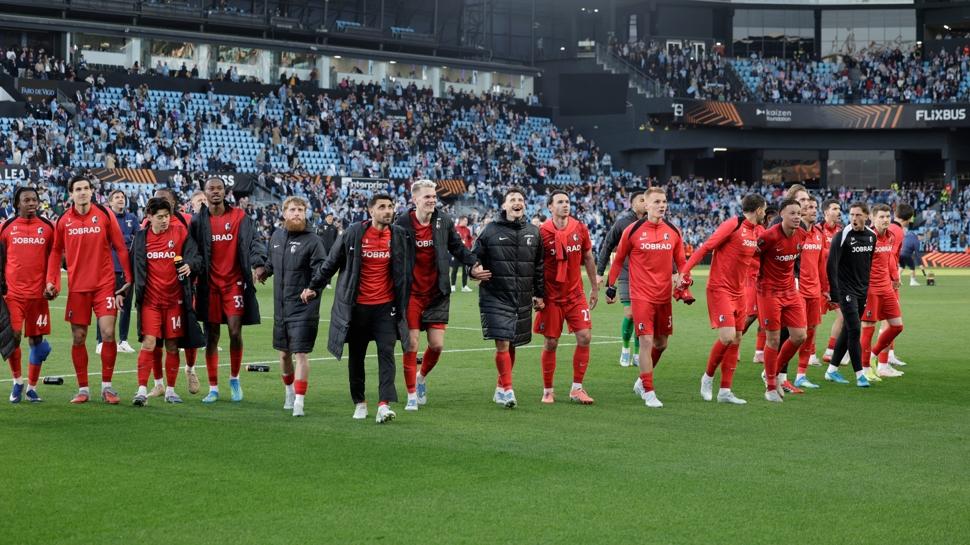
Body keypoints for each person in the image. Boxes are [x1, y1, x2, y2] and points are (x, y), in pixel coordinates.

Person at [318, 193, 411, 423]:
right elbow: (332, 262)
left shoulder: (398, 235)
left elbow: (406, 268)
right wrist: (313, 287)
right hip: (358, 307)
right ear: (371, 211)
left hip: (386, 307)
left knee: (387, 353)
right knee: (356, 356)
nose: (388, 211)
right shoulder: (354, 233)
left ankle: (383, 405)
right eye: (382, 207)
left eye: (390, 206)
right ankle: (359, 402)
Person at [44, 175, 132, 404]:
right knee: (78, 337)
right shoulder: (63, 220)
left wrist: (128, 277)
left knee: (108, 333)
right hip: (78, 287)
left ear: (92, 191)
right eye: (78, 189)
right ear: (71, 194)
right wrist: (51, 281)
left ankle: (107, 387)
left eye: (86, 188)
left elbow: (120, 246)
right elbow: (55, 251)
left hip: (104, 285)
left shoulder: (104, 214)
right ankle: (83, 389)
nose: (82, 192)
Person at [394, 180, 482, 411]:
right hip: (411, 293)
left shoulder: (443, 220)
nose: (432, 200)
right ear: (415, 199)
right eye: (427, 197)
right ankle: (411, 395)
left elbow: (457, 248)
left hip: (437, 292)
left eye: (434, 196)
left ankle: (421, 377)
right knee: (411, 343)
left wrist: (473, 263)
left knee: (437, 345)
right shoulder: (402, 223)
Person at [681, 193, 766, 405]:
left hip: (739, 291)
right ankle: (707, 377)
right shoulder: (733, 224)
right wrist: (684, 271)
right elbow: (706, 247)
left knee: (736, 339)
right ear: (758, 210)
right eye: (764, 210)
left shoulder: (757, 231)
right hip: (719, 289)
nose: (765, 214)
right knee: (727, 337)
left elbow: (753, 259)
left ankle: (725, 391)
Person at [606, 187, 686, 409]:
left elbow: (681, 262)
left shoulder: (673, 231)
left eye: (664, 201)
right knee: (646, 341)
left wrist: (684, 280)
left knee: (661, 343)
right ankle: (649, 392)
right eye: (657, 202)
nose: (662, 205)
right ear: (646, 204)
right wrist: (610, 286)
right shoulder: (632, 230)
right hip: (641, 295)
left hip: (664, 296)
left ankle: (642, 380)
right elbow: (619, 259)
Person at [189, 176, 267, 404]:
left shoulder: (240, 217)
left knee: (235, 332)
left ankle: (234, 379)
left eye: (219, 188)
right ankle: (213, 387)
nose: (215, 192)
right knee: (211, 336)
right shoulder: (197, 221)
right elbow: (192, 251)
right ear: (205, 193)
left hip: (234, 284)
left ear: (225, 192)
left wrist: (259, 264)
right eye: (211, 189)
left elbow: (254, 242)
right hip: (208, 285)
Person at [473, 187, 544, 409]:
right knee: (502, 343)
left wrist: (539, 293)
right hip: (495, 294)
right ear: (504, 205)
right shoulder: (490, 230)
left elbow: (539, 266)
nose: (517, 202)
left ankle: (500, 387)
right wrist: (473, 270)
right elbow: (474, 257)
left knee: (512, 342)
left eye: (520, 199)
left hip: (521, 296)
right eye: (512, 199)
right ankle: (508, 390)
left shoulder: (534, 232)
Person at [129, 197, 204, 406]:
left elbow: (196, 257)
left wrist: (190, 265)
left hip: (175, 301)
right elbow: (132, 264)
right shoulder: (141, 238)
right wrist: (126, 286)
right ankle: (141, 390)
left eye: (167, 216)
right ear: (149, 217)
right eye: (160, 217)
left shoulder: (180, 232)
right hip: (150, 301)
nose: (164, 221)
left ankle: (170, 390)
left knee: (172, 345)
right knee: (149, 343)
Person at [259, 197, 328, 417]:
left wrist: (313, 288)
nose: (296, 213)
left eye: (300, 210)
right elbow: (272, 263)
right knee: (283, 354)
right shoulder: (277, 237)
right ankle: (289, 392)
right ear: (284, 213)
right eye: (292, 210)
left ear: (305, 213)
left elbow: (322, 270)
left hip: (304, 306)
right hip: (281, 307)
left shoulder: (313, 241)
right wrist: (264, 271)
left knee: (301, 353)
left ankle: (299, 401)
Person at [534, 190, 598, 404]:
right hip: (551, 297)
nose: (565, 205)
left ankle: (577, 389)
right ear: (550, 207)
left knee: (585, 337)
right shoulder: (541, 232)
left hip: (575, 294)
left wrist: (594, 288)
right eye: (560, 202)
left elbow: (588, 257)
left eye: (567, 201)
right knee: (551, 342)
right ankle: (548, 390)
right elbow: (535, 265)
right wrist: (536, 294)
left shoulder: (580, 228)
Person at [0, 187, 54, 403]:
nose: (32, 203)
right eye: (26, 200)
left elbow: (54, 258)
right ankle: (17, 382)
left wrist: (52, 285)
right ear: (17, 204)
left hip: (39, 295)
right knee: (13, 337)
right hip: (13, 294)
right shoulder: (7, 227)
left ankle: (32, 387)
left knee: (37, 341)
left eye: (34, 200)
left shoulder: (48, 228)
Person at [754, 198, 808, 403]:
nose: (796, 217)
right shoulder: (768, 237)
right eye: (792, 213)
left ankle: (773, 373)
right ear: (782, 215)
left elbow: (794, 261)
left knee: (799, 336)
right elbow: (752, 257)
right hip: (768, 292)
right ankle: (770, 387)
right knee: (773, 339)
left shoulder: (802, 235)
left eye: (799, 213)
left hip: (790, 291)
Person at [153, 187, 201, 394]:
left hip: (185, 288)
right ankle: (158, 384)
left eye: (164, 200)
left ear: (173, 203)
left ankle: (190, 369)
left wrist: (191, 267)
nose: (159, 203)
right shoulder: (148, 223)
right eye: (156, 199)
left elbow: (196, 251)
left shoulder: (186, 221)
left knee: (189, 333)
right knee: (155, 339)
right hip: (156, 292)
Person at [824, 202, 877, 388]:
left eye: (858, 215)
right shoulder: (842, 236)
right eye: (852, 215)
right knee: (855, 329)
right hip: (845, 290)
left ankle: (831, 371)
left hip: (862, 291)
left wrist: (866, 286)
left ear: (866, 216)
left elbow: (868, 263)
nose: (854, 218)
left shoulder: (871, 236)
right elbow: (831, 265)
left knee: (848, 330)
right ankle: (860, 375)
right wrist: (834, 292)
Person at [595, 190, 646, 367]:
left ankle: (638, 353)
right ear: (633, 204)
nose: (646, 203)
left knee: (641, 316)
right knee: (630, 313)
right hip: (626, 274)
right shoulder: (622, 223)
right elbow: (607, 246)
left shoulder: (653, 223)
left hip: (646, 276)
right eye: (642, 200)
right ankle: (625, 349)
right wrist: (600, 273)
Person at [860, 204, 905, 381]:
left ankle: (872, 355)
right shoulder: (867, 237)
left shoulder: (891, 236)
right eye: (881, 217)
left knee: (897, 326)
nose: (885, 220)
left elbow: (890, 259)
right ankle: (865, 369)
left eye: (887, 216)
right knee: (868, 328)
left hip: (887, 288)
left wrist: (894, 276)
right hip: (870, 290)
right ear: (872, 218)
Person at [96, 189, 138, 355]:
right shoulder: (105, 218)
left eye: (122, 197)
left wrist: (121, 239)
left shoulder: (132, 218)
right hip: (109, 269)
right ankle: (100, 341)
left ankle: (124, 340)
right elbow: (105, 240)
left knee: (126, 306)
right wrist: (125, 239)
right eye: (117, 197)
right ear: (110, 202)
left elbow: (138, 239)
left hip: (127, 270)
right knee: (105, 306)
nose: (121, 199)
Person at [793, 197, 827, 390]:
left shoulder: (819, 234)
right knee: (796, 334)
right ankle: (774, 370)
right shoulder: (795, 233)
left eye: (815, 207)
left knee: (810, 332)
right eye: (809, 207)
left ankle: (801, 375)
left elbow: (821, 265)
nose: (813, 210)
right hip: (797, 290)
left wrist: (825, 288)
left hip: (814, 291)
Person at [820, 199, 845, 365]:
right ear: (826, 212)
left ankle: (830, 350)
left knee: (843, 315)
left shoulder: (841, 231)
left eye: (839, 208)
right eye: (835, 208)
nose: (838, 211)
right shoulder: (817, 230)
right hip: (819, 282)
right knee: (811, 322)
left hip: (835, 282)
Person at [450, 215, 474, 293]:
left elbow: (470, 239)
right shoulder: (454, 229)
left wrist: (469, 246)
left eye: (467, 221)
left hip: (465, 253)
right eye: (465, 221)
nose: (467, 222)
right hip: (456, 252)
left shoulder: (467, 230)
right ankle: (453, 286)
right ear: (461, 220)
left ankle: (464, 286)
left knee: (465, 270)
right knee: (455, 269)